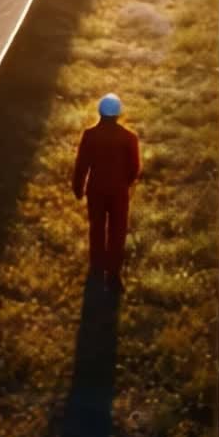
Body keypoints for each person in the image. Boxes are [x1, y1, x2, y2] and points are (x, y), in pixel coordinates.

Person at [72, 93, 141, 292]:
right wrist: (124, 183)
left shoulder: (90, 135)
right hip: (119, 192)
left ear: (100, 112)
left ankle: (97, 269)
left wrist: (78, 188)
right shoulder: (129, 138)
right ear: (118, 114)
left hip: (96, 190)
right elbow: (134, 168)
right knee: (117, 232)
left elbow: (81, 165)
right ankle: (113, 275)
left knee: (97, 229)